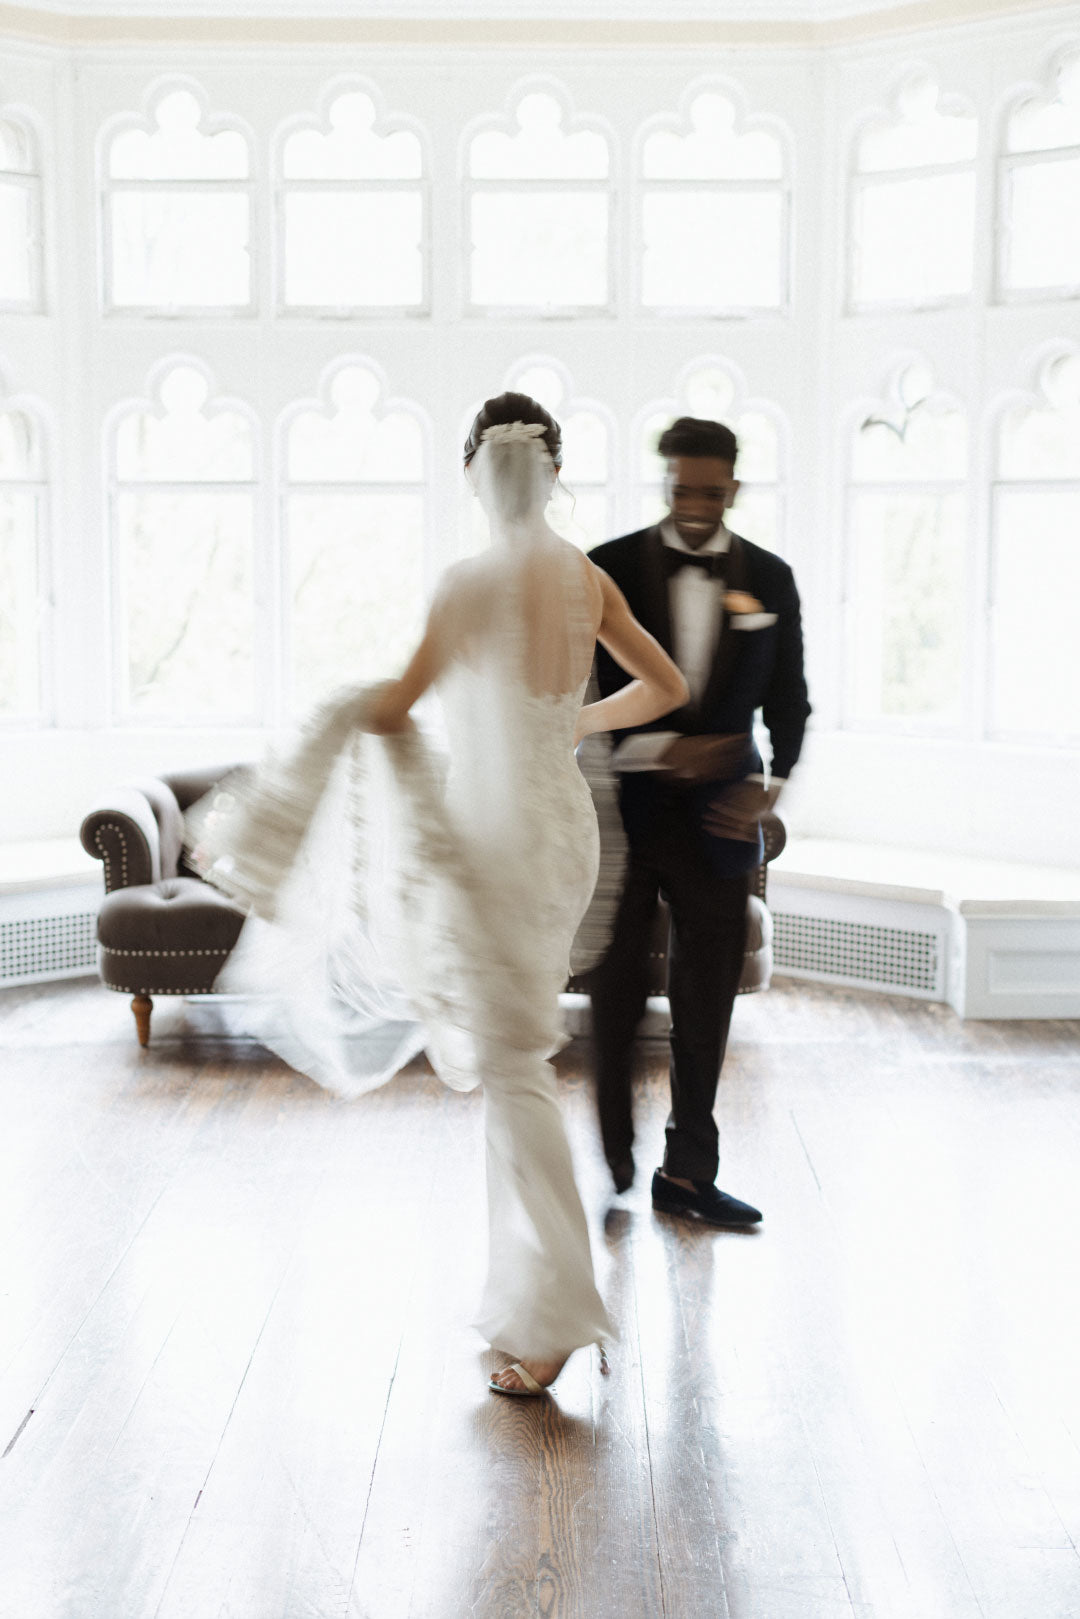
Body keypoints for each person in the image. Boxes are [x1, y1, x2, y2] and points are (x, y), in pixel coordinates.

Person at [194, 393, 688, 1398]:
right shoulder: (588, 579)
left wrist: (331, 711)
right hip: (564, 836)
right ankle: (523, 1298)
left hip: (493, 839)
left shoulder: (468, 584)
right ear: (550, 473)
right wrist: (572, 724)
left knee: (513, 1068)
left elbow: (395, 705)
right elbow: (668, 687)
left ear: (476, 474)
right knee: (519, 1055)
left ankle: (557, 1318)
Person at [586, 415, 811, 1227]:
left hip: (722, 817)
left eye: (709, 491)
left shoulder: (771, 578)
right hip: (626, 812)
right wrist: (651, 748)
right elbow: (582, 689)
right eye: (680, 487)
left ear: (734, 490)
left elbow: (789, 698)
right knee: (615, 985)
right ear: (665, 481)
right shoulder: (606, 567)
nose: (693, 503)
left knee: (704, 1000)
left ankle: (687, 1174)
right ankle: (613, 1144)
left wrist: (773, 785)